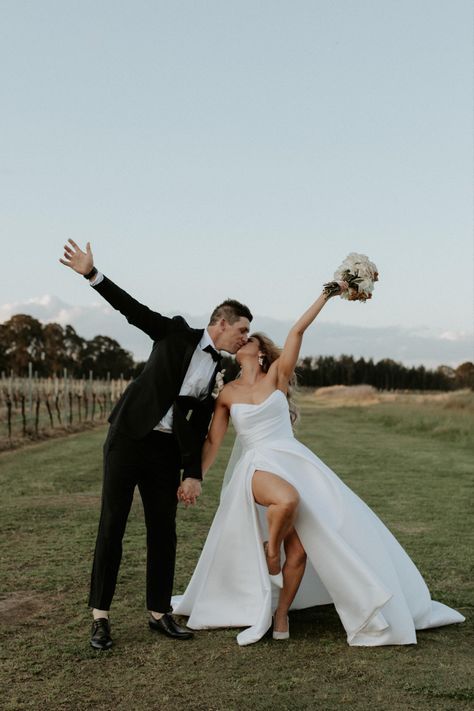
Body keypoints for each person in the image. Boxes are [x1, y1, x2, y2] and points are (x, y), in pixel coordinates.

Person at [172, 283, 465, 645]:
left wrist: (328, 294)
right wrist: (192, 478)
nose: (242, 339)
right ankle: (270, 552)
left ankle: (282, 615)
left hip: (295, 461)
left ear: (261, 353)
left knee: (301, 549)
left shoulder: (277, 376)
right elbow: (214, 442)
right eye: (241, 334)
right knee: (287, 501)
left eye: (249, 336)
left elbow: (297, 330)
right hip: (256, 466)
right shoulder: (228, 394)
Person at [59, 239, 252, 649]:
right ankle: (100, 618)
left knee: (164, 530)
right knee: (112, 523)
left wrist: (193, 473)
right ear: (220, 322)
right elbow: (132, 310)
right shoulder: (175, 333)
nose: (244, 338)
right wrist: (94, 275)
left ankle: (159, 612)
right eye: (242, 330)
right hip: (128, 438)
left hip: (165, 453)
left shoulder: (220, 368)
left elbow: (198, 425)